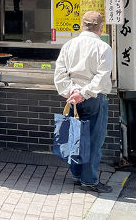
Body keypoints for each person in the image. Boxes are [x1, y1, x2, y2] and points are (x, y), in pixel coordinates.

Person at [54, 11, 113, 194]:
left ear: (82, 25)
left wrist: (72, 91)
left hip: (73, 99)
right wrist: (85, 93)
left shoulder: (69, 45)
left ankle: (77, 174)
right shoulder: (104, 47)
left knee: (75, 137)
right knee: (94, 141)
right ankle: (89, 181)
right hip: (94, 99)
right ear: (101, 28)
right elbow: (102, 77)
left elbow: (60, 73)